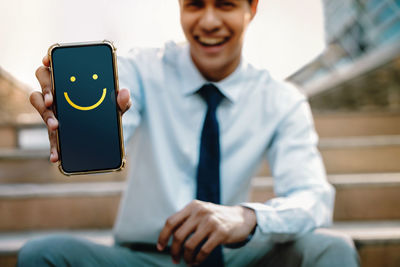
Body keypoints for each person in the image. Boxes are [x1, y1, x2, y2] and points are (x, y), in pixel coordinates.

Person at [18, 0, 360, 266]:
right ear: (180, 8)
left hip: (234, 255)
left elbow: (312, 197)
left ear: (251, 8)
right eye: (195, 4)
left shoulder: (281, 99)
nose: (208, 21)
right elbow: (121, 110)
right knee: (42, 254)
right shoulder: (143, 71)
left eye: (225, 4)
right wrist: (82, 119)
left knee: (331, 248)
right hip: (142, 258)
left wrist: (248, 216)